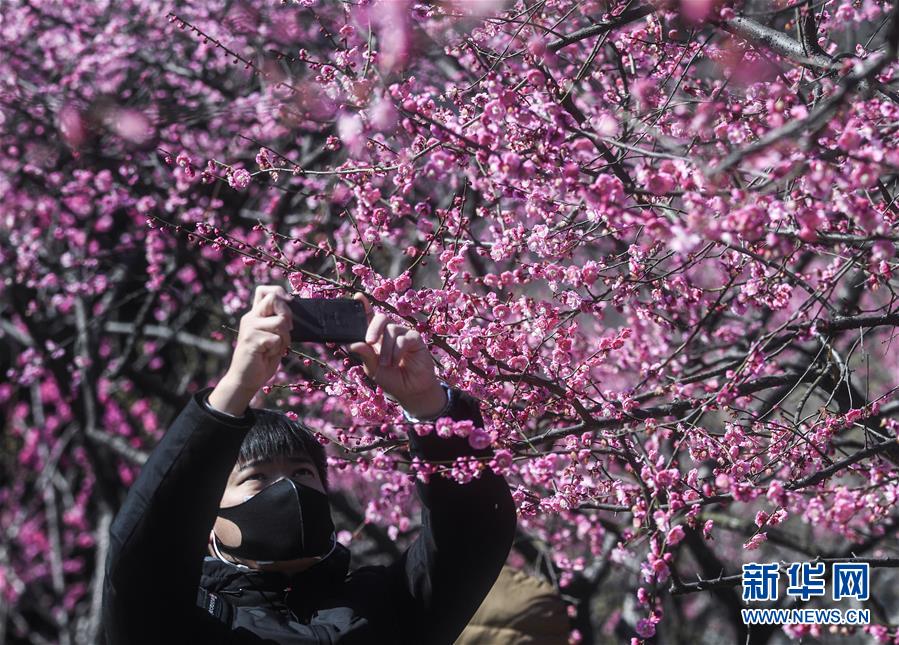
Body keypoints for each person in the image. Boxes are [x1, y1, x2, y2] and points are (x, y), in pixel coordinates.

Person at [101, 285, 517, 645]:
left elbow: (472, 534)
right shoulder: (183, 619)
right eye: (257, 477)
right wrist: (233, 391)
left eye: (302, 473)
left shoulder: (388, 605)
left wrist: (429, 407)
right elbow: (142, 555)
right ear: (207, 513)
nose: (289, 489)